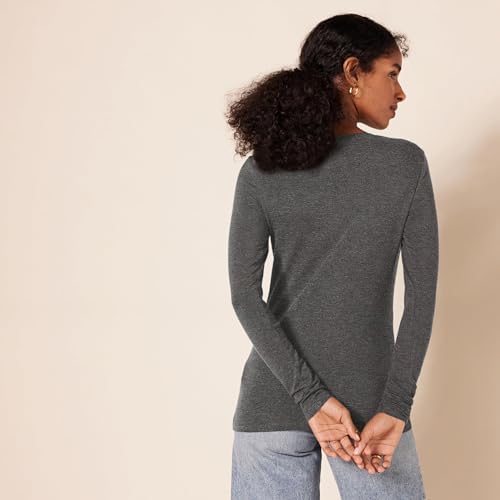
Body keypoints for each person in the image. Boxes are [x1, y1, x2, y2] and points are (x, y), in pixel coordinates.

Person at [225, 13, 438, 500]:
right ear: (353, 71)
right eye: (392, 73)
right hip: (371, 414)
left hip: (272, 402)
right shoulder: (404, 164)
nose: (400, 92)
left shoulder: (261, 170)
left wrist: (310, 397)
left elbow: (244, 297)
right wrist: (395, 405)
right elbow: (422, 296)